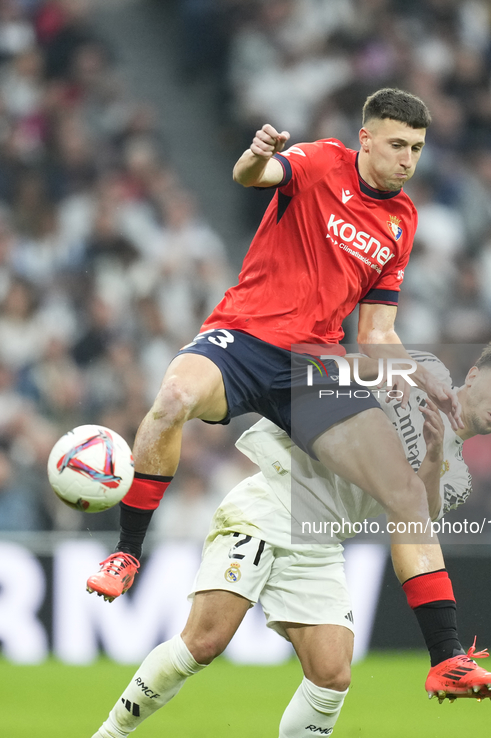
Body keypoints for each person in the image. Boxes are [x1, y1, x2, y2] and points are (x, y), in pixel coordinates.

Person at [64, 340, 491, 738]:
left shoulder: (458, 475)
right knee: (204, 643)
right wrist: (375, 375)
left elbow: (416, 520)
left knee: (333, 674)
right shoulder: (421, 371)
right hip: (272, 500)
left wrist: (432, 455)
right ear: (473, 374)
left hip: (323, 541)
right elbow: (338, 362)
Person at [85, 87, 468, 668]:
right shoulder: (319, 162)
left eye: (416, 148)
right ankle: (127, 553)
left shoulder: (401, 221)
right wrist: (257, 152)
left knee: (406, 490)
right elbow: (252, 174)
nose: (408, 159)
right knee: (173, 398)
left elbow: (378, 332)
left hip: (312, 363)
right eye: (397, 145)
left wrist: (423, 382)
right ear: (366, 139)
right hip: (243, 335)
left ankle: (447, 658)